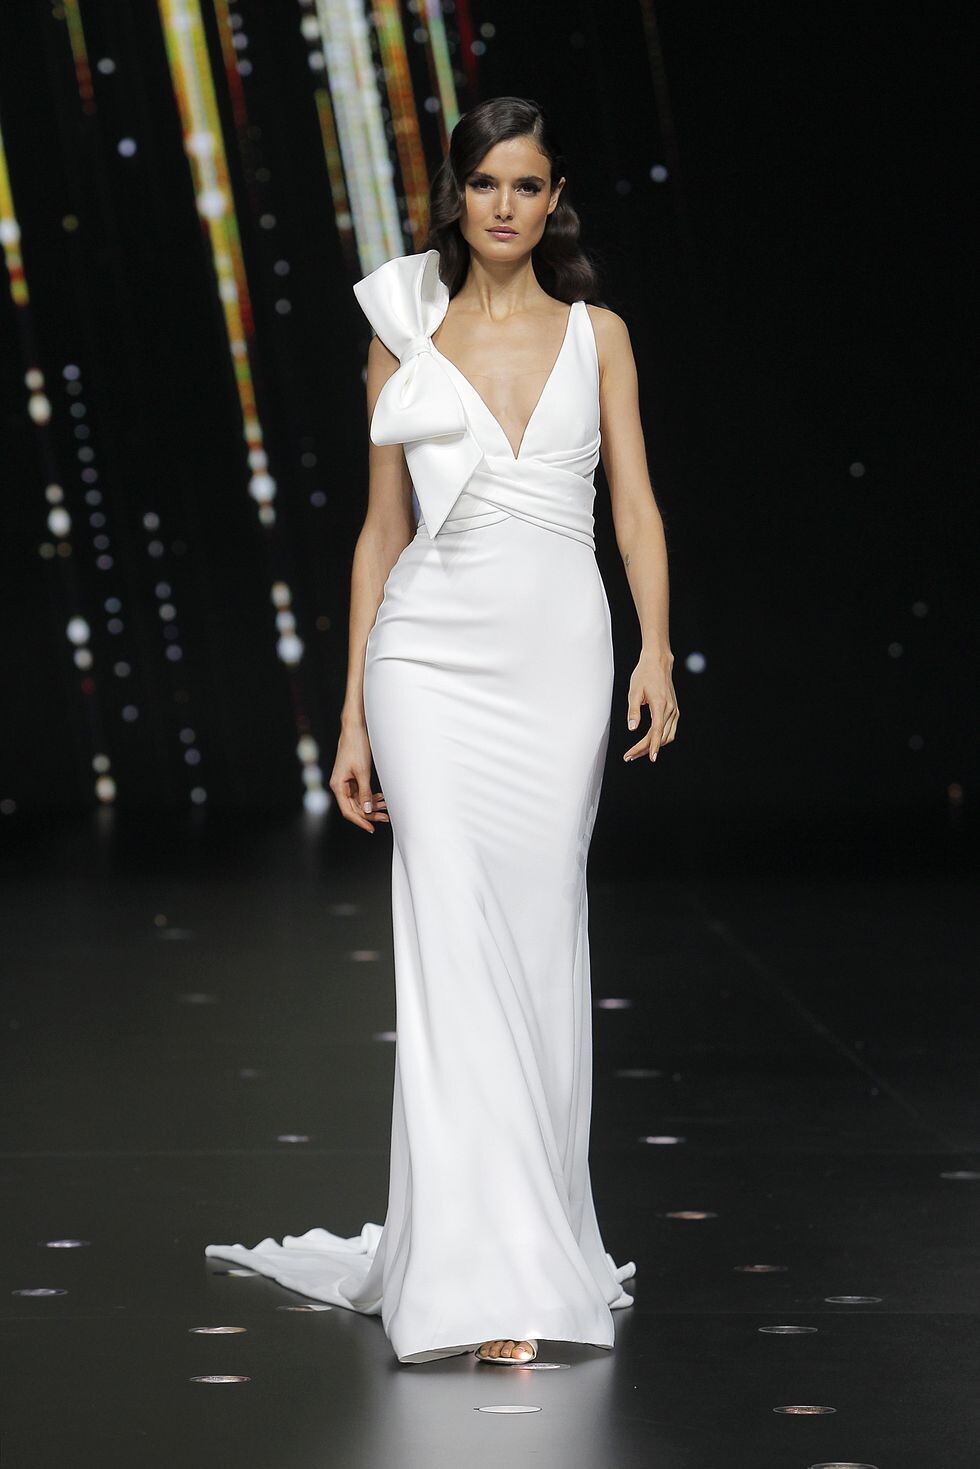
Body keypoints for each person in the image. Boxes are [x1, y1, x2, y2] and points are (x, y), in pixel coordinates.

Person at [206, 96, 678, 1366]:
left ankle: (534, 1231)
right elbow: (381, 528)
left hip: (558, 658)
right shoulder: (402, 330)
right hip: (426, 657)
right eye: (483, 184)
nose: (504, 207)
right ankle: (485, 1278)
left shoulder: (598, 335)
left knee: (536, 935)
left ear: (553, 196)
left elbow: (633, 506)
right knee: (451, 941)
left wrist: (655, 647)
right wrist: (352, 709)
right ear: (455, 195)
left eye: (526, 185)